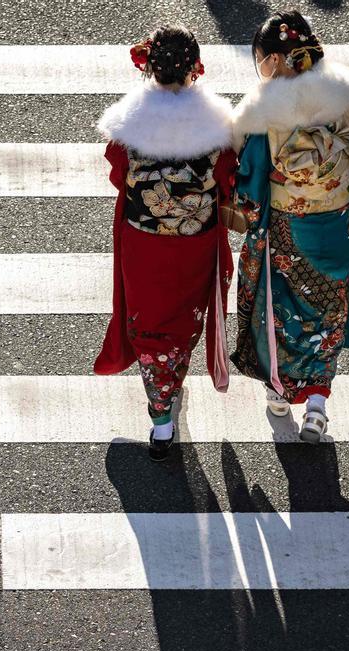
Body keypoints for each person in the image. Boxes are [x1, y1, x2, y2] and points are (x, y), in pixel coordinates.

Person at [230, 9, 349, 443]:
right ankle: (318, 405)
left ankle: (280, 394)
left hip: (288, 227)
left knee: (281, 310)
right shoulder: (340, 94)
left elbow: (251, 176)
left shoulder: (266, 112)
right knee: (329, 307)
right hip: (336, 220)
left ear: (277, 61)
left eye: (260, 58)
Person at [93, 25, 237, 462]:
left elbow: (119, 174)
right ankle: (175, 379)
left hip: (145, 244)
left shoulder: (130, 121)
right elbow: (228, 179)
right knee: (184, 321)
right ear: (195, 69)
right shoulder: (216, 124)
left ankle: (162, 418)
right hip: (195, 244)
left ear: (149, 67)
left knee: (150, 324)